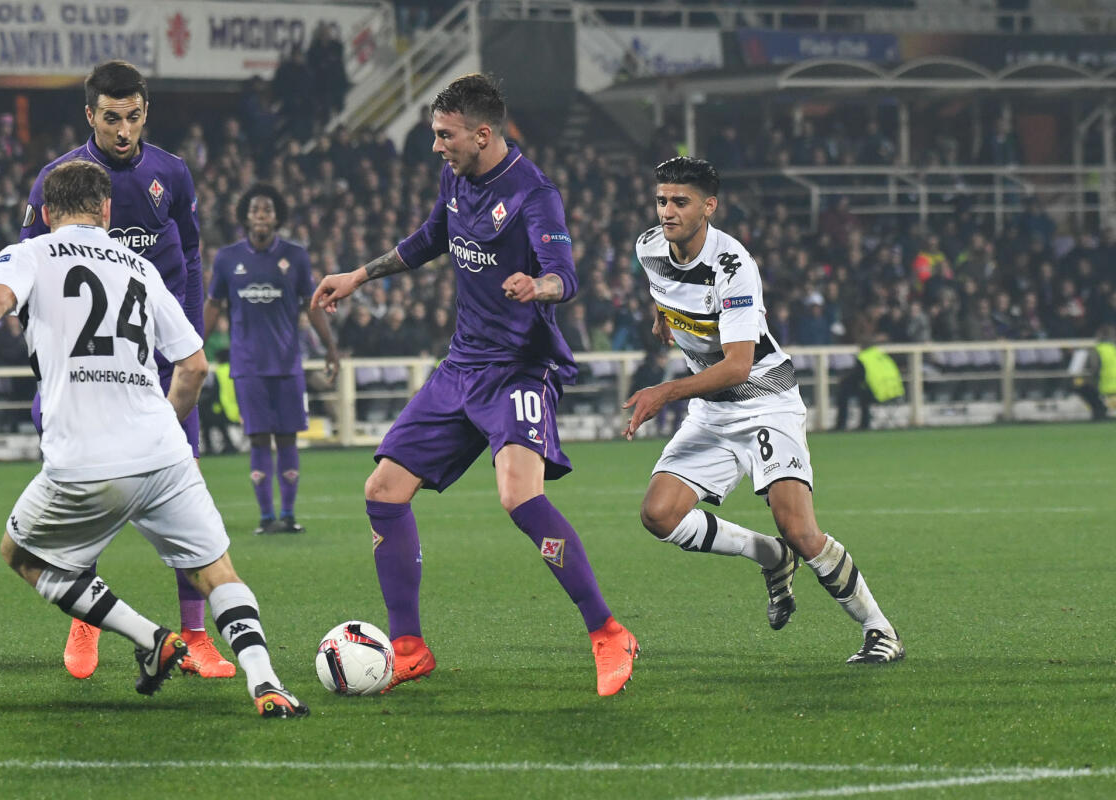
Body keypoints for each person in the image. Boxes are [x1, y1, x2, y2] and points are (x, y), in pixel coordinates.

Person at [0, 161, 307, 718]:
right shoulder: (142, 268)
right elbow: (193, 367)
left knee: (22, 554)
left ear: (47, 214)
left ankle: (149, 637)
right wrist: (164, 430)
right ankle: (267, 683)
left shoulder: (28, 254)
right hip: (163, 452)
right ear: (106, 211)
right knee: (217, 571)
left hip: (84, 460)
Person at [311, 73, 639, 696]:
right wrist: (359, 275)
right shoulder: (456, 179)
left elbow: (565, 276)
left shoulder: (533, 192)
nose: (437, 146)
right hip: (462, 366)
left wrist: (535, 284)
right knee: (383, 489)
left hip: (519, 366)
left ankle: (607, 632)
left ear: (483, 133)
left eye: (445, 135)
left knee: (520, 498)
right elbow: (434, 236)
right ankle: (407, 648)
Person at [623, 157, 904, 664]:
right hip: (711, 410)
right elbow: (665, 292)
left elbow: (737, 366)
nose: (667, 211)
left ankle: (880, 630)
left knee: (798, 526)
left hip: (763, 401)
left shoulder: (734, 265)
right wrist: (664, 320)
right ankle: (770, 556)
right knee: (659, 515)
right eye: (662, 200)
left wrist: (664, 392)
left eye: (680, 202)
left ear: (709, 207)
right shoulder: (648, 247)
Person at [20, 60, 233, 681]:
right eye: (111, 118)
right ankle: (85, 617)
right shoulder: (55, 181)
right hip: (91, 360)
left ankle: (196, 635)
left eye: (133, 116)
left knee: (185, 484)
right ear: (90, 115)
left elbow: (190, 256)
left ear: (146, 113)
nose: (123, 129)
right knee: (85, 481)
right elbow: (32, 274)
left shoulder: (171, 173)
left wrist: (185, 342)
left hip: (158, 351)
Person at [204, 183, 340, 534]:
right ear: (245, 217)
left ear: (277, 216)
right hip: (248, 365)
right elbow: (214, 305)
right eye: (255, 210)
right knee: (259, 439)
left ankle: (289, 514)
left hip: (286, 363)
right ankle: (266, 517)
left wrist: (330, 347)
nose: (261, 215)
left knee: (289, 438)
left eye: (267, 210)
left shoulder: (295, 256)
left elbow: (311, 306)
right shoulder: (227, 258)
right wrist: (194, 347)